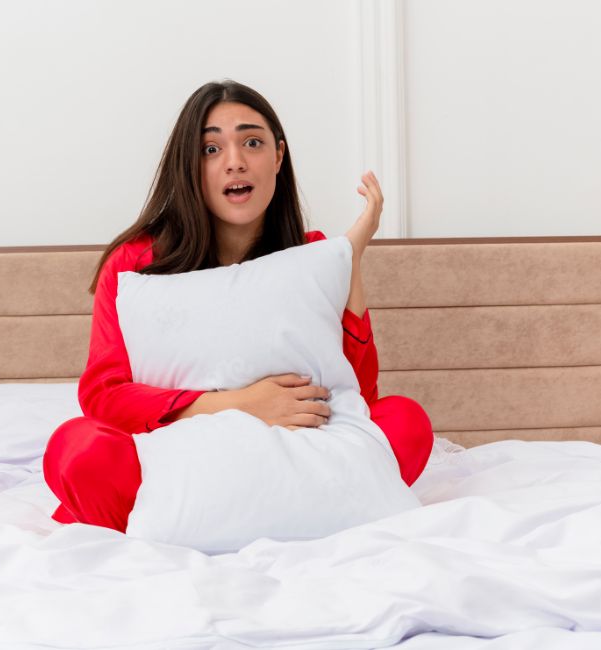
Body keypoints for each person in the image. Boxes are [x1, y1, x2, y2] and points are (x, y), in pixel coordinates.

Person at [43, 80, 434, 532]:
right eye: (211, 149)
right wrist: (240, 404)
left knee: (404, 420)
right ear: (187, 165)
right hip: (180, 462)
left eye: (252, 142)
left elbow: (358, 396)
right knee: (77, 447)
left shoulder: (313, 255)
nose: (234, 162)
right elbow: (103, 397)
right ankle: (189, 520)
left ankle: (275, 512)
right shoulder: (134, 263)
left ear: (278, 157)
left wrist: (351, 259)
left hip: (296, 454)